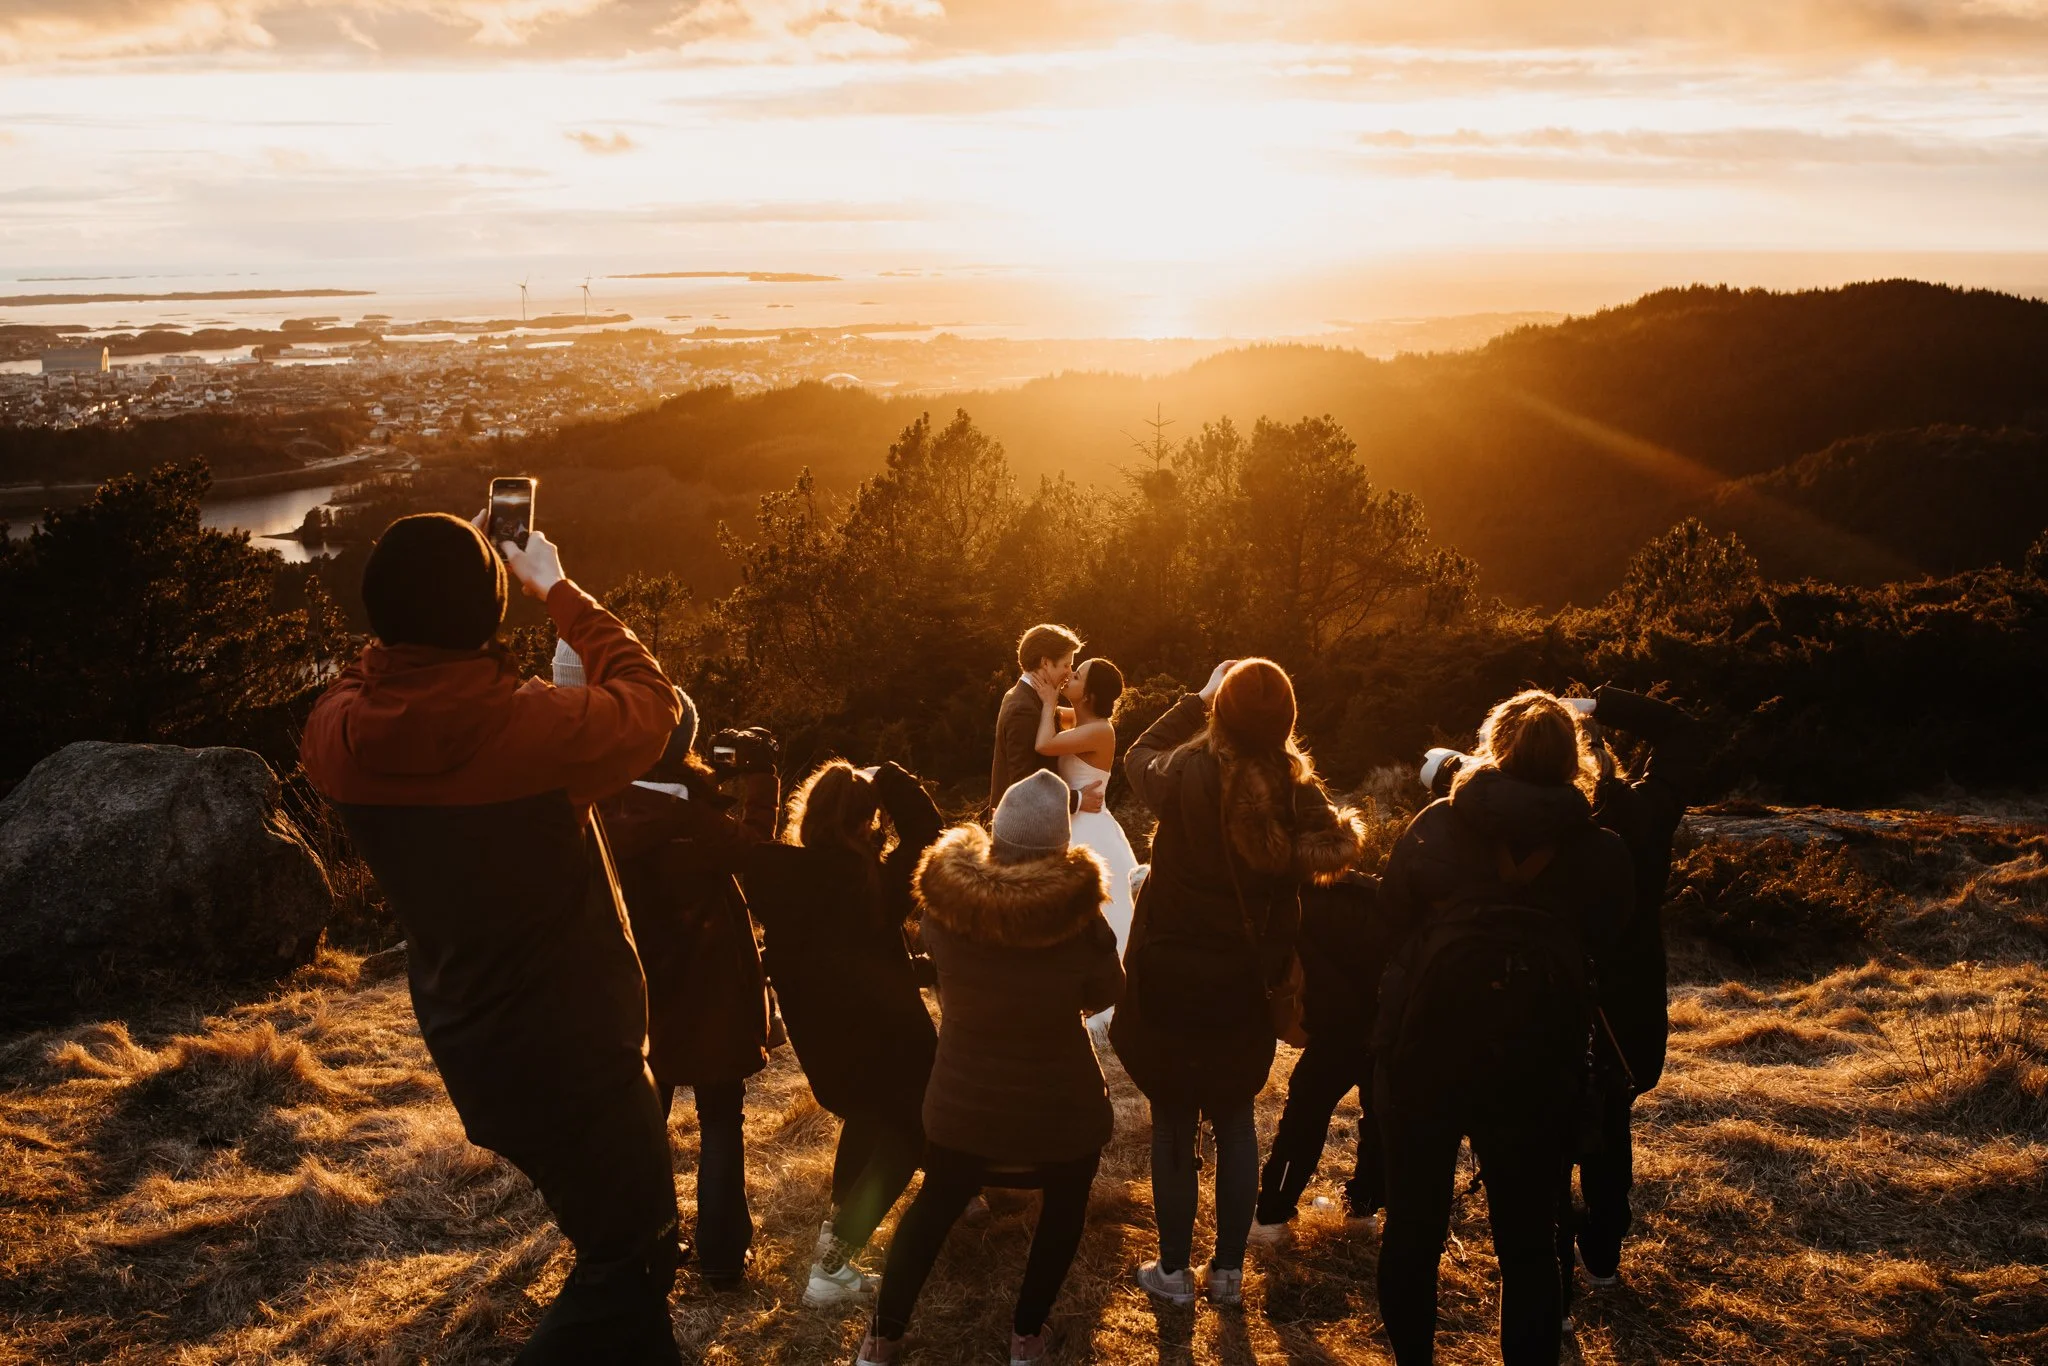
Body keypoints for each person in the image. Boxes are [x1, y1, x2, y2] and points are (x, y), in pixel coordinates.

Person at [300, 511, 684, 1364]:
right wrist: (553, 585)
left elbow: (363, 681)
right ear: (488, 615)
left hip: (470, 1040)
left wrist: (445, 582)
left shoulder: (339, 738)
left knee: (620, 1251)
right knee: (635, 1256)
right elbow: (654, 705)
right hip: (579, 1047)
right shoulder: (531, 730)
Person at [1374, 690, 1633, 1366]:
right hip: (1540, 1063)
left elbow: (1391, 920)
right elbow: (1613, 945)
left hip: (1428, 1050)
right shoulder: (1600, 851)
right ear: (1571, 760)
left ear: (1493, 746)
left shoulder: (1436, 825)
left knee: (1414, 1231)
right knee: (1528, 1243)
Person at [1113, 658, 1364, 1308]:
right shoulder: (1293, 789)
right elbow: (1330, 846)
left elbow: (1137, 752)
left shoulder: (1188, 773)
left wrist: (1197, 698)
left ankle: (1173, 1273)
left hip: (1167, 975)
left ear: (1220, 713)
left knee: (1172, 1120)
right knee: (1236, 1118)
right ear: (1287, 719)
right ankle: (1226, 1274)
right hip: (1248, 983)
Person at [854, 770, 1124, 1366]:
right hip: (1060, 1111)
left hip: (960, 1105)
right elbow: (1104, 992)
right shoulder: (1081, 921)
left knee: (934, 1202)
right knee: (1067, 1199)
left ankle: (882, 1338)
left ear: (997, 835)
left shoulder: (946, 911)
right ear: (1060, 847)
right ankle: (1027, 1337)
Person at [743, 759, 944, 1309]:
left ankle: (836, 1242)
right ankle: (834, 1264)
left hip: (827, 1054)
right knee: (908, 1136)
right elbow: (930, 833)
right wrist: (888, 776)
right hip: (893, 1045)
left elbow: (743, 842)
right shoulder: (873, 884)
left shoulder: (772, 874)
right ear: (866, 823)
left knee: (867, 1119)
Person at [599, 699, 780, 1292]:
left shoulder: (601, 807)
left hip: (637, 991)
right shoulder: (692, 813)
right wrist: (761, 780)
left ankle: (643, 1246)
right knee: (721, 1116)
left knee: (644, 1119)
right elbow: (755, 852)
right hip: (711, 991)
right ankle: (724, 1257)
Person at [1570, 687, 1701, 1287]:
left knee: (1541, 1116)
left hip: (1555, 985)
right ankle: (1602, 1248)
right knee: (1610, 1111)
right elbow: (1680, 730)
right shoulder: (1647, 813)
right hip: (1629, 985)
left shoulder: (1546, 822)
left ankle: (1553, 1272)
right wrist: (1599, 704)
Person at [1248, 869, 1397, 1245]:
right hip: (1385, 1023)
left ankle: (1272, 1217)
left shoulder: (1293, 900)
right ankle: (1363, 1209)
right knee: (1379, 1119)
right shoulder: (1374, 891)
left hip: (1335, 1030)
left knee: (1303, 1118)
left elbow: (1283, 970)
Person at [1028, 656, 1140, 960]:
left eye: (1076, 676)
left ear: (1089, 695)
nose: (1069, 677)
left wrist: (1050, 701)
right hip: (1071, 817)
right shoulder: (1079, 719)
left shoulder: (1101, 730)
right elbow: (1049, 717)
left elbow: (1044, 744)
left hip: (1088, 825)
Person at [992, 623, 1104, 817]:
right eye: (1066, 665)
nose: (1069, 672)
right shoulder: (1024, 708)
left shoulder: (1030, 698)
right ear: (1045, 663)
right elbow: (1024, 784)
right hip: (1024, 829)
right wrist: (1077, 800)